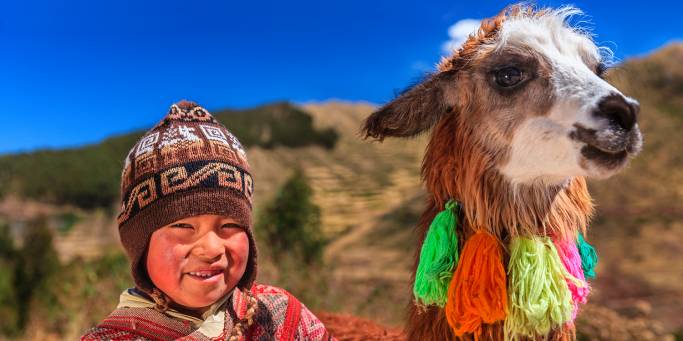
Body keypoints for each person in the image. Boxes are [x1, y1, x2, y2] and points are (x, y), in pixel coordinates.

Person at [81, 101, 334, 340]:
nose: (212, 249)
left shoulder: (281, 316)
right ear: (140, 244)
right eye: (182, 225)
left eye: (230, 225)